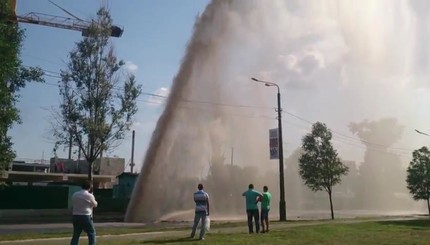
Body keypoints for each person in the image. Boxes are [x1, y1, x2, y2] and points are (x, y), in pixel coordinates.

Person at [70, 180, 98, 245]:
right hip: (85, 215)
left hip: (75, 215)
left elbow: (73, 203)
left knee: (76, 234)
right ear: (90, 187)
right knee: (91, 232)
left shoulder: (75, 194)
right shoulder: (89, 195)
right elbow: (95, 205)